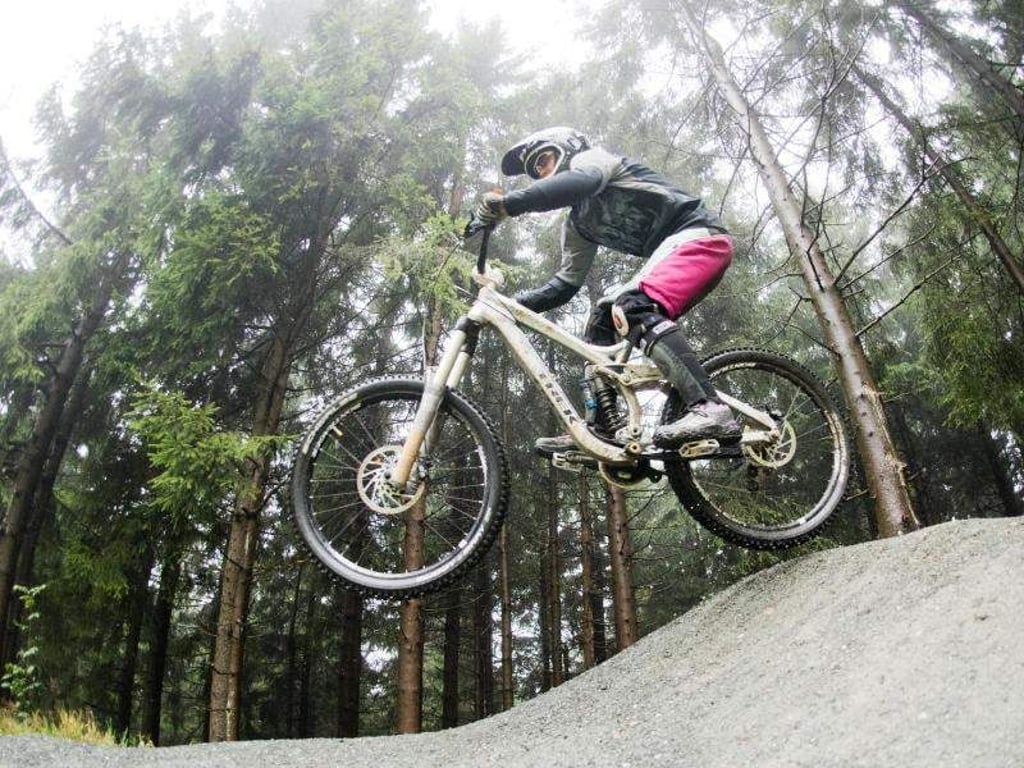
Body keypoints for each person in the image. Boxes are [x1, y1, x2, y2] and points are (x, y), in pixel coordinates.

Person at [475, 126, 740, 453]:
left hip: (700, 237)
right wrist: (511, 305)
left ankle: (709, 408)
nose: (541, 173)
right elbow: (564, 285)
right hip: (674, 251)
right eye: (536, 172)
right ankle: (601, 426)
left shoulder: (593, 160)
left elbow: (582, 182)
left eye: (544, 160)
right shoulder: (576, 224)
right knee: (602, 316)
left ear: (568, 149)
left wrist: (510, 204)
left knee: (631, 306)